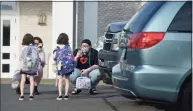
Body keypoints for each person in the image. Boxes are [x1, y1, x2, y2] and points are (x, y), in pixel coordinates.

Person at [53, 33, 74, 100]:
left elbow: (54, 57)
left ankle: (60, 95)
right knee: (67, 80)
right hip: (67, 66)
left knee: (60, 80)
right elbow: (72, 56)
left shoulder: (57, 48)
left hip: (60, 65)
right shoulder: (68, 47)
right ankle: (66, 95)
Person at [19, 33, 39, 100]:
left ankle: (22, 95)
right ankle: (31, 95)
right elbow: (37, 57)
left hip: (24, 66)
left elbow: (21, 57)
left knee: (23, 80)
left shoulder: (23, 48)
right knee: (32, 80)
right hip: (32, 66)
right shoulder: (35, 48)